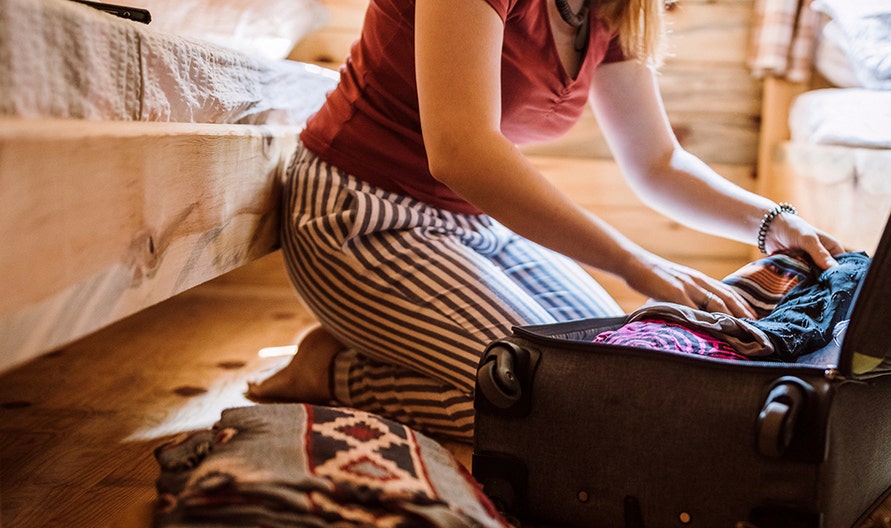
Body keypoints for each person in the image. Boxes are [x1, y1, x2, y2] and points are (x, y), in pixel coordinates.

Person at [247, 0, 846, 441]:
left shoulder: (614, 10)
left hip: (473, 227)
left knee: (619, 371)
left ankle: (386, 343)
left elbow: (659, 161)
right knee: (560, 407)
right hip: (357, 213)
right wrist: (637, 262)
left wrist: (773, 221)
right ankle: (335, 372)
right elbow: (460, 150)